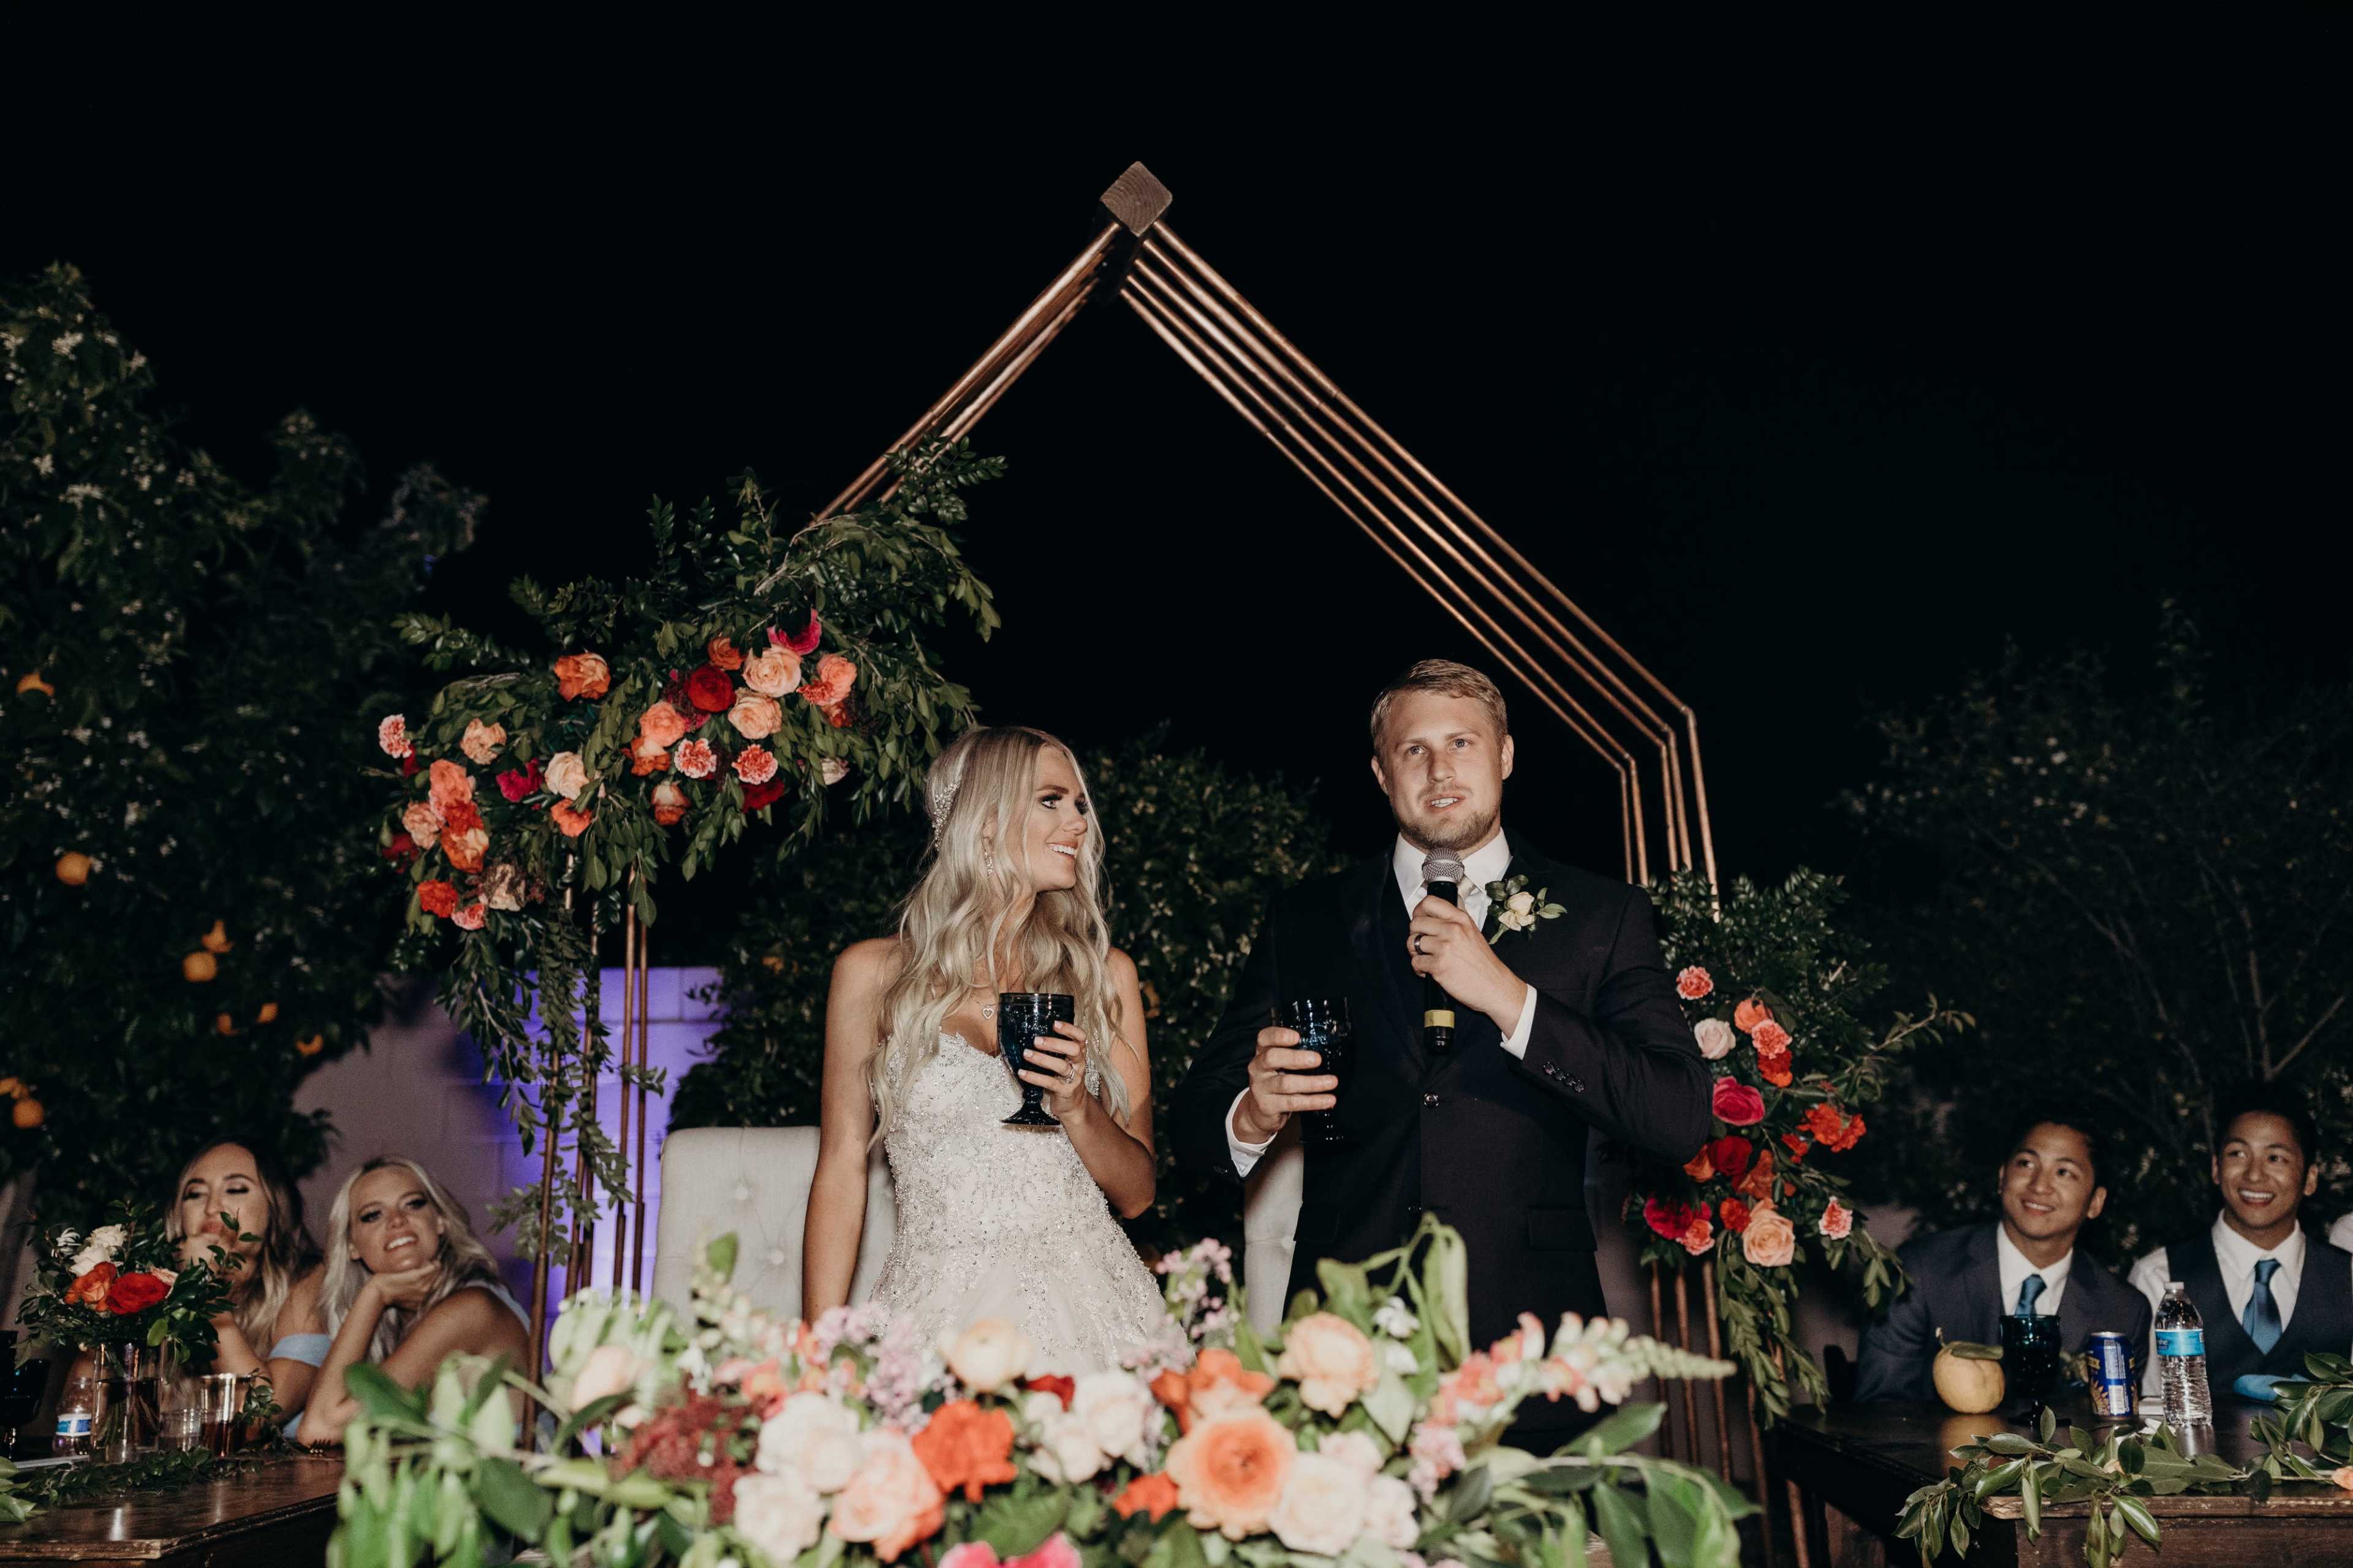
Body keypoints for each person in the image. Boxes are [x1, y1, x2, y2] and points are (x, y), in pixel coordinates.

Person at [1169, 659, 1711, 1434]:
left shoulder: (1603, 915)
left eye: (1462, 742)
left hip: (1533, 1340)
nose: (1440, 768)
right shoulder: (1307, 919)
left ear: (1506, 757)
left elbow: (1678, 1114)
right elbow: (1192, 1128)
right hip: (1344, 1347)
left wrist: (1508, 998)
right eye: (1413, 750)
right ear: (1381, 773)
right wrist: (1251, 1114)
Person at [801, 727, 1164, 1372]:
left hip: (1092, 1313)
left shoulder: (1105, 975)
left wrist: (1078, 1106)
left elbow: (1137, 1194)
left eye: (1080, 804)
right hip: (933, 1309)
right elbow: (840, 1171)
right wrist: (816, 1354)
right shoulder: (873, 974)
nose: (1079, 822)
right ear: (987, 822)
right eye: (1052, 800)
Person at [1854, 1114, 2148, 1403]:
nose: (2039, 1185)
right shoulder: (1920, 1272)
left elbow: (2112, 1431)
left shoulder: (2122, 1312)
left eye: (2063, 1172)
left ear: (2095, 1203)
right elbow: (1882, 1411)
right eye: (2026, 1163)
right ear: (2001, 1177)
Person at [2128, 1091, 2353, 1403]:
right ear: (2217, 1168)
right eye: (2238, 1154)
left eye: (2276, 1158)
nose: (2254, 1175)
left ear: (2310, 1179)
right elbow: (2146, 1412)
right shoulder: (2158, 1276)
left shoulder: (2347, 1276)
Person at [297, 1156, 531, 1445]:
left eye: (413, 1204)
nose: (397, 1221)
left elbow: (320, 1428)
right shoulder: (405, 1321)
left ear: (441, 1221)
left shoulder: (470, 1309)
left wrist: (374, 1294)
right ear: (352, 1247)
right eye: (373, 1215)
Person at [165, 1138, 329, 1426]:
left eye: (236, 1189)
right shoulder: (158, 1290)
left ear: (275, 1207)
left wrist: (206, 1296)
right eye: (195, 1194)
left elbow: (258, 1416)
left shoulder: (308, 1278)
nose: (212, 1207)